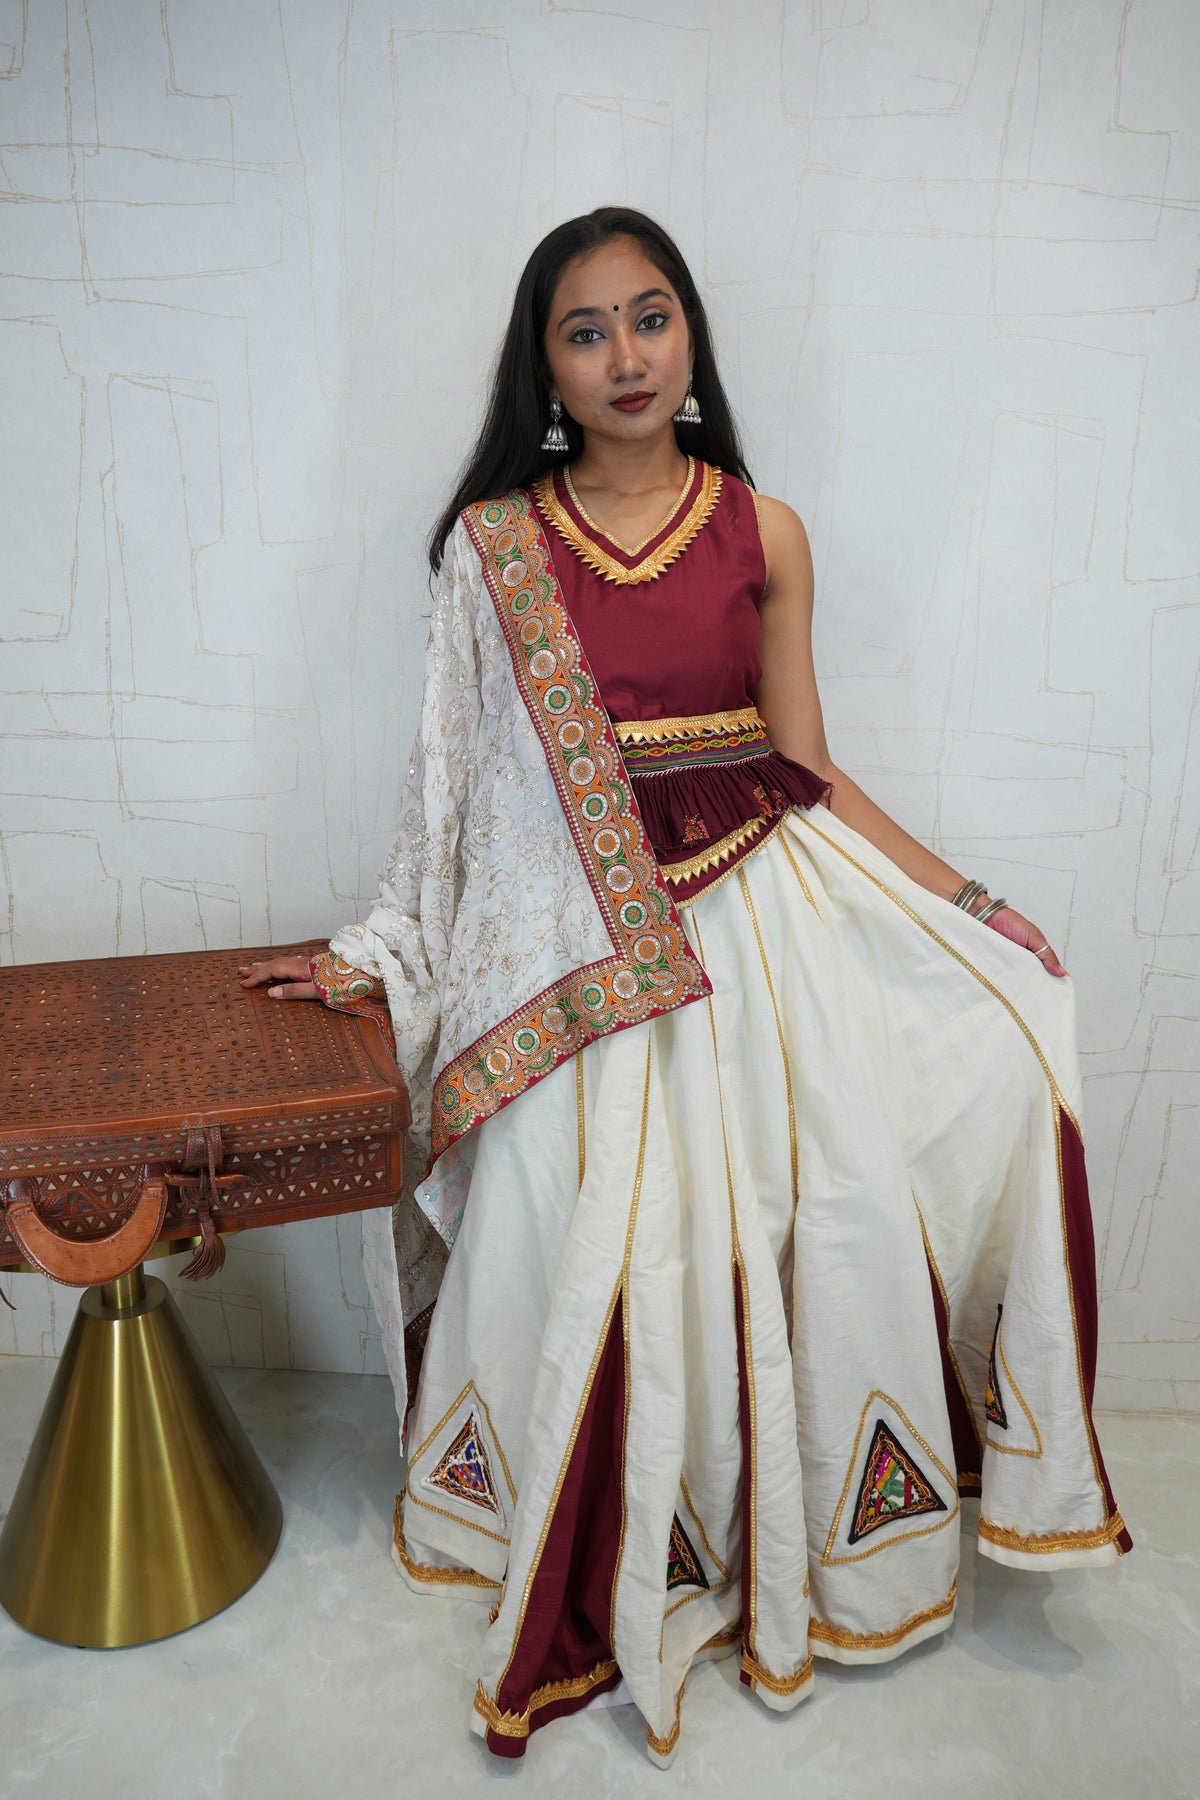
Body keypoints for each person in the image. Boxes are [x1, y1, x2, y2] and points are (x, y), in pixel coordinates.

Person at [240, 207, 1130, 1766]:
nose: (627, 355)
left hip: (761, 926)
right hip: (581, 952)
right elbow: (446, 801)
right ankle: (618, 1522)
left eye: (652, 318)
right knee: (590, 1236)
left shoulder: (764, 528)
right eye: (587, 332)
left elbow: (804, 763)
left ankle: (775, 1527)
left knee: (805, 1220)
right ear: (547, 370)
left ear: (693, 335)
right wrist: (373, 945)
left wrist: (967, 903)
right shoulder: (496, 548)